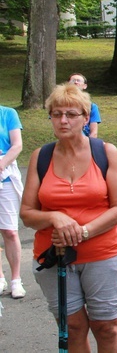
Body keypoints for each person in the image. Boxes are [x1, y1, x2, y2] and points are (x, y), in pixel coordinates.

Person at [21, 84, 117, 352]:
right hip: (54, 255)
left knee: (106, 326)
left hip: (103, 254)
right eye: (56, 114)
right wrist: (56, 217)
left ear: (85, 117)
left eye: (70, 114)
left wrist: (83, 231)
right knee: (72, 327)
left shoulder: (105, 152)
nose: (63, 120)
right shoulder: (41, 156)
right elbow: (27, 213)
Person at [0, 100, 25, 298]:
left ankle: (16, 279)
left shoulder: (8, 114)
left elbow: (16, 145)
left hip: (5, 176)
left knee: (9, 230)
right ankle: (0, 277)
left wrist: (1, 165)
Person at [68, 73, 101, 138]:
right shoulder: (59, 105)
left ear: (85, 86)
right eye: (73, 80)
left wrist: (88, 145)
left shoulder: (92, 107)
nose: (76, 82)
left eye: (78, 80)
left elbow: (94, 133)